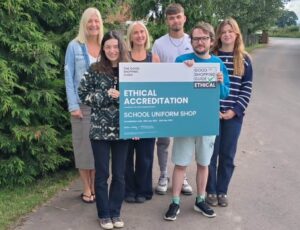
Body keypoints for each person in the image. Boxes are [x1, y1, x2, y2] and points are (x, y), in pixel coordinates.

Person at [164, 22, 230, 221]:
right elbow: (173, 89)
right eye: (196, 39)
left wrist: (219, 82)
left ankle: (200, 199)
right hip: (186, 121)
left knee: (204, 163)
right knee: (181, 163)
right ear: (191, 41)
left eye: (203, 38)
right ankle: (175, 201)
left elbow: (225, 94)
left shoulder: (218, 64)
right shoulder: (182, 60)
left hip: (207, 122)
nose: (199, 42)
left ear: (211, 40)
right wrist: (184, 72)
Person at [78, 31, 130, 230]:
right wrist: (106, 96)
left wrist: (122, 95)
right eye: (108, 47)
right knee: (102, 175)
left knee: (119, 174)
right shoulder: (95, 69)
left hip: (123, 129)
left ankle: (115, 212)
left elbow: (141, 96)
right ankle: (104, 214)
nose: (112, 50)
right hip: (99, 131)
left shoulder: (130, 70)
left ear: (121, 47)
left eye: (115, 46)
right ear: (103, 49)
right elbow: (82, 93)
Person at [206, 18, 253, 207]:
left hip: (234, 117)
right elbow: (203, 87)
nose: (226, 34)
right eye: (223, 31)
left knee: (227, 155)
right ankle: (210, 189)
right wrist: (212, 109)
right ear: (218, 35)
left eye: (230, 31)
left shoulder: (244, 59)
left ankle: (222, 191)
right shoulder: (211, 57)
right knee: (210, 155)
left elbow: (246, 88)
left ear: (236, 35)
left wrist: (234, 111)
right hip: (212, 114)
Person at [152, 2, 193, 196]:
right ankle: (163, 174)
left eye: (178, 17)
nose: (175, 20)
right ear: (167, 21)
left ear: (184, 18)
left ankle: (182, 176)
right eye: (171, 18)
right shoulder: (159, 44)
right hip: (164, 98)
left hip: (187, 98)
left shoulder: (194, 41)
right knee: (163, 141)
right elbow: (154, 72)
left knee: (183, 140)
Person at [64, 7, 103, 203]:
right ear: (84, 23)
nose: (93, 24)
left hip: (103, 107)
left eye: (96, 21)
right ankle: (86, 187)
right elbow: (69, 77)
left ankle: (96, 185)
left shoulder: (106, 45)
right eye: (90, 21)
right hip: (81, 106)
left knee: (98, 148)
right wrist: (73, 105)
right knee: (82, 147)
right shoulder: (74, 46)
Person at [124, 21, 160, 203]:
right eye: (135, 32)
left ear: (146, 35)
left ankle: (144, 190)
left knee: (145, 157)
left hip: (148, 115)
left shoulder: (154, 58)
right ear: (130, 37)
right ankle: (128, 190)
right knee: (126, 156)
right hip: (129, 114)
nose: (139, 35)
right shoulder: (125, 57)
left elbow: (160, 87)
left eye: (142, 32)